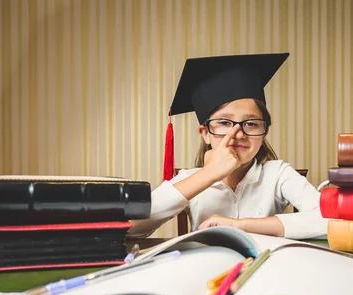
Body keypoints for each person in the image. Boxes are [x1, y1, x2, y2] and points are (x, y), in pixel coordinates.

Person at [128, 53, 328, 240]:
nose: (238, 134)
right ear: (205, 134)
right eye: (224, 123)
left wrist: (241, 225)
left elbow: (331, 220)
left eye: (250, 123)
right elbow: (130, 227)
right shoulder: (190, 178)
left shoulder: (278, 174)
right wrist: (209, 173)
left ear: (264, 132)